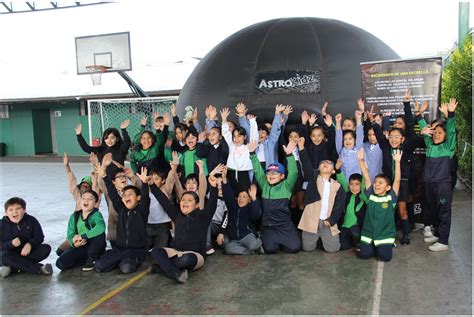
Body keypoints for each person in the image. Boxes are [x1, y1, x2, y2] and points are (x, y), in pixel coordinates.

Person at [149, 174, 219, 284]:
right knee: (155, 251)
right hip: (176, 252)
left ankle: (163, 267)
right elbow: (163, 201)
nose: (185, 202)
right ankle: (175, 273)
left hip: (195, 255)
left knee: (185, 260)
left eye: (189, 200)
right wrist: (151, 185)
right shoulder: (176, 215)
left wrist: (214, 187)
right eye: (183, 200)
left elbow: (212, 204)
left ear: (196, 205)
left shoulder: (203, 216)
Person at [94, 154, 150, 274]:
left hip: (135, 250)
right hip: (120, 249)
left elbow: (146, 198)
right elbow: (113, 194)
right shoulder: (121, 209)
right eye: (124, 195)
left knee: (127, 268)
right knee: (99, 266)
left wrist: (144, 183)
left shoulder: (142, 210)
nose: (126, 197)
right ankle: (119, 259)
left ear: (138, 198)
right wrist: (103, 175)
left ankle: (125, 260)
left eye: (130, 194)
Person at [416, 98, 457, 251]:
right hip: (429, 184)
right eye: (435, 133)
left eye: (440, 133)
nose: (436, 135)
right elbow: (425, 131)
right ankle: (437, 234)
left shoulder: (448, 148)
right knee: (432, 209)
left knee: (443, 211)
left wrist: (450, 114)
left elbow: (451, 130)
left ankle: (443, 241)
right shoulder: (430, 146)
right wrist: (419, 114)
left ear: (446, 135)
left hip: (442, 185)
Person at [249, 139, 301, 254]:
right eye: (269, 173)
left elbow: (293, 173)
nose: (271, 175)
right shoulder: (264, 184)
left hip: (284, 226)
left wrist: (289, 155)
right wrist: (252, 154)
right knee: (270, 250)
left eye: (275, 173)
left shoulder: (286, 186)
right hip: (269, 226)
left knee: (295, 248)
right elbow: (258, 170)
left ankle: (291, 236)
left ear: (282, 176)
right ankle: (267, 237)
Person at [298, 138, 346, 253]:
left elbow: (339, 207)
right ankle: (316, 238)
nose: (325, 164)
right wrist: (301, 148)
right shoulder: (313, 179)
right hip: (311, 221)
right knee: (307, 248)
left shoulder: (337, 186)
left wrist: (331, 220)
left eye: (329, 163)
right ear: (318, 169)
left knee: (333, 249)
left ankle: (323, 238)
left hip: (327, 223)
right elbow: (306, 164)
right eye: (322, 163)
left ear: (333, 171)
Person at [357, 148, 402, 262]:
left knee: (385, 257)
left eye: (380, 183)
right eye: (375, 182)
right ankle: (370, 245)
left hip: (385, 235)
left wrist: (397, 162)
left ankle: (385, 245)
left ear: (388, 187)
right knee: (364, 255)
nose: (376, 185)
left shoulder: (390, 198)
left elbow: (397, 180)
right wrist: (361, 160)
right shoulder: (371, 195)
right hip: (369, 233)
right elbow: (366, 176)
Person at [57, 152, 100, 256]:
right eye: (83, 186)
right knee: (60, 252)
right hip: (76, 232)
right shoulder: (78, 198)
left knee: (77, 252)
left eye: (87, 186)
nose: (85, 188)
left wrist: (95, 165)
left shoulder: (93, 199)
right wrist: (66, 166)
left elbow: (96, 183)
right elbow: (71, 181)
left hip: (87, 233)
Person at [1, 197, 53, 277]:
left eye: (18, 208)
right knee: (4, 257)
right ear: (6, 212)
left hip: (27, 253)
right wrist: (11, 244)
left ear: (24, 210)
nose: (14, 212)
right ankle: (39, 269)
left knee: (46, 248)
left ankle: (12, 268)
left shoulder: (31, 220)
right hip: (9, 254)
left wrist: (30, 244)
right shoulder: (1, 224)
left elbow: (39, 237)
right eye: (10, 210)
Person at [56, 190, 106, 272]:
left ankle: (92, 258)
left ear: (95, 203)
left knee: (100, 234)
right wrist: (74, 243)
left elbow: (101, 227)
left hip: (93, 244)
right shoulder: (74, 216)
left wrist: (83, 236)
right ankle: (84, 260)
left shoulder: (96, 215)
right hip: (80, 245)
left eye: (90, 199)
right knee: (60, 263)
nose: (86, 200)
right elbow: (70, 234)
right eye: (83, 198)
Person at [217, 169, 263, 255]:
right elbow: (228, 195)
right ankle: (248, 252)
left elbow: (256, 214)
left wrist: (254, 199)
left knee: (252, 244)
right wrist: (224, 179)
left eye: (244, 197)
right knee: (228, 248)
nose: (241, 199)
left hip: (247, 236)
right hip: (234, 239)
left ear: (249, 200)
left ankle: (259, 239)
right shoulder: (233, 206)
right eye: (239, 196)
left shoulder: (250, 208)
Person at [221, 105, 258, 194]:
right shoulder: (232, 145)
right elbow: (226, 133)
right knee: (232, 194)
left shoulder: (248, 147)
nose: (236, 139)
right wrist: (224, 119)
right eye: (234, 136)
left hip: (243, 174)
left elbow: (254, 136)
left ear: (245, 137)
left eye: (239, 136)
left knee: (245, 195)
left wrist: (253, 122)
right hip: (231, 173)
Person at [335, 159, 367, 250]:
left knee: (355, 233)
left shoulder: (363, 196)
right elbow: (342, 181)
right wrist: (337, 169)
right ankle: (351, 243)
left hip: (356, 227)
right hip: (344, 227)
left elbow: (365, 183)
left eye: (357, 184)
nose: (354, 187)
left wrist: (364, 169)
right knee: (342, 246)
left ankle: (358, 243)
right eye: (351, 184)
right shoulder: (347, 193)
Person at [335, 109, 364, 183]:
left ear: (354, 140)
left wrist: (358, 118)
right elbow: (338, 136)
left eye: (350, 139)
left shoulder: (358, 147)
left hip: (356, 182)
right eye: (345, 139)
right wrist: (338, 122)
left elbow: (360, 133)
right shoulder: (341, 149)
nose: (347, 141)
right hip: (343, 180)